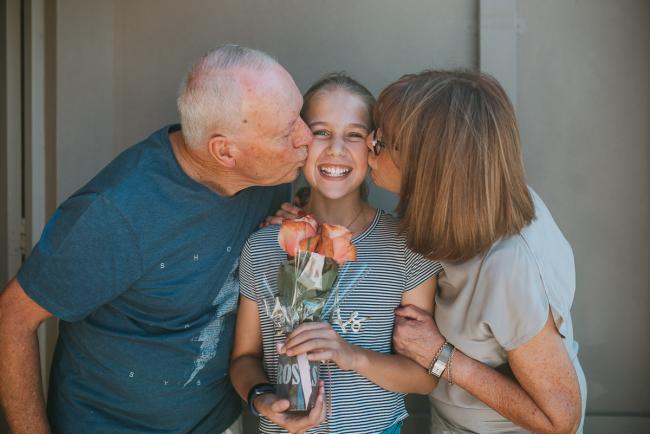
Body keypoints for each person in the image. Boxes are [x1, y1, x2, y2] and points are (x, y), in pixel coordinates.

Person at [0, 44, 313, 434]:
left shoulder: (269, 178)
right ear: (225, 152)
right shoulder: (114, 214)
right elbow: (11, 319)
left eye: (300, 115)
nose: (306, 136)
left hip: (219, 419)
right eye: (288, 132)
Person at [369, 70, 587, 433]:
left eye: (383, 141)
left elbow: (560, 418)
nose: (369, 143)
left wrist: (439, 356)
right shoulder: (452, 205)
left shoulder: (509, 268)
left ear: (428, 170)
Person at [230, 73, 442, 434]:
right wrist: (263, 398)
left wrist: (351, 355)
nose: (336, 149)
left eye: (355, 134)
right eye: (321, 132)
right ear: (299, 139)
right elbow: (243, 359)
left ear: (375, 146)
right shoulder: (263, 247)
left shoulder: (407, 248)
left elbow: (424, 379)